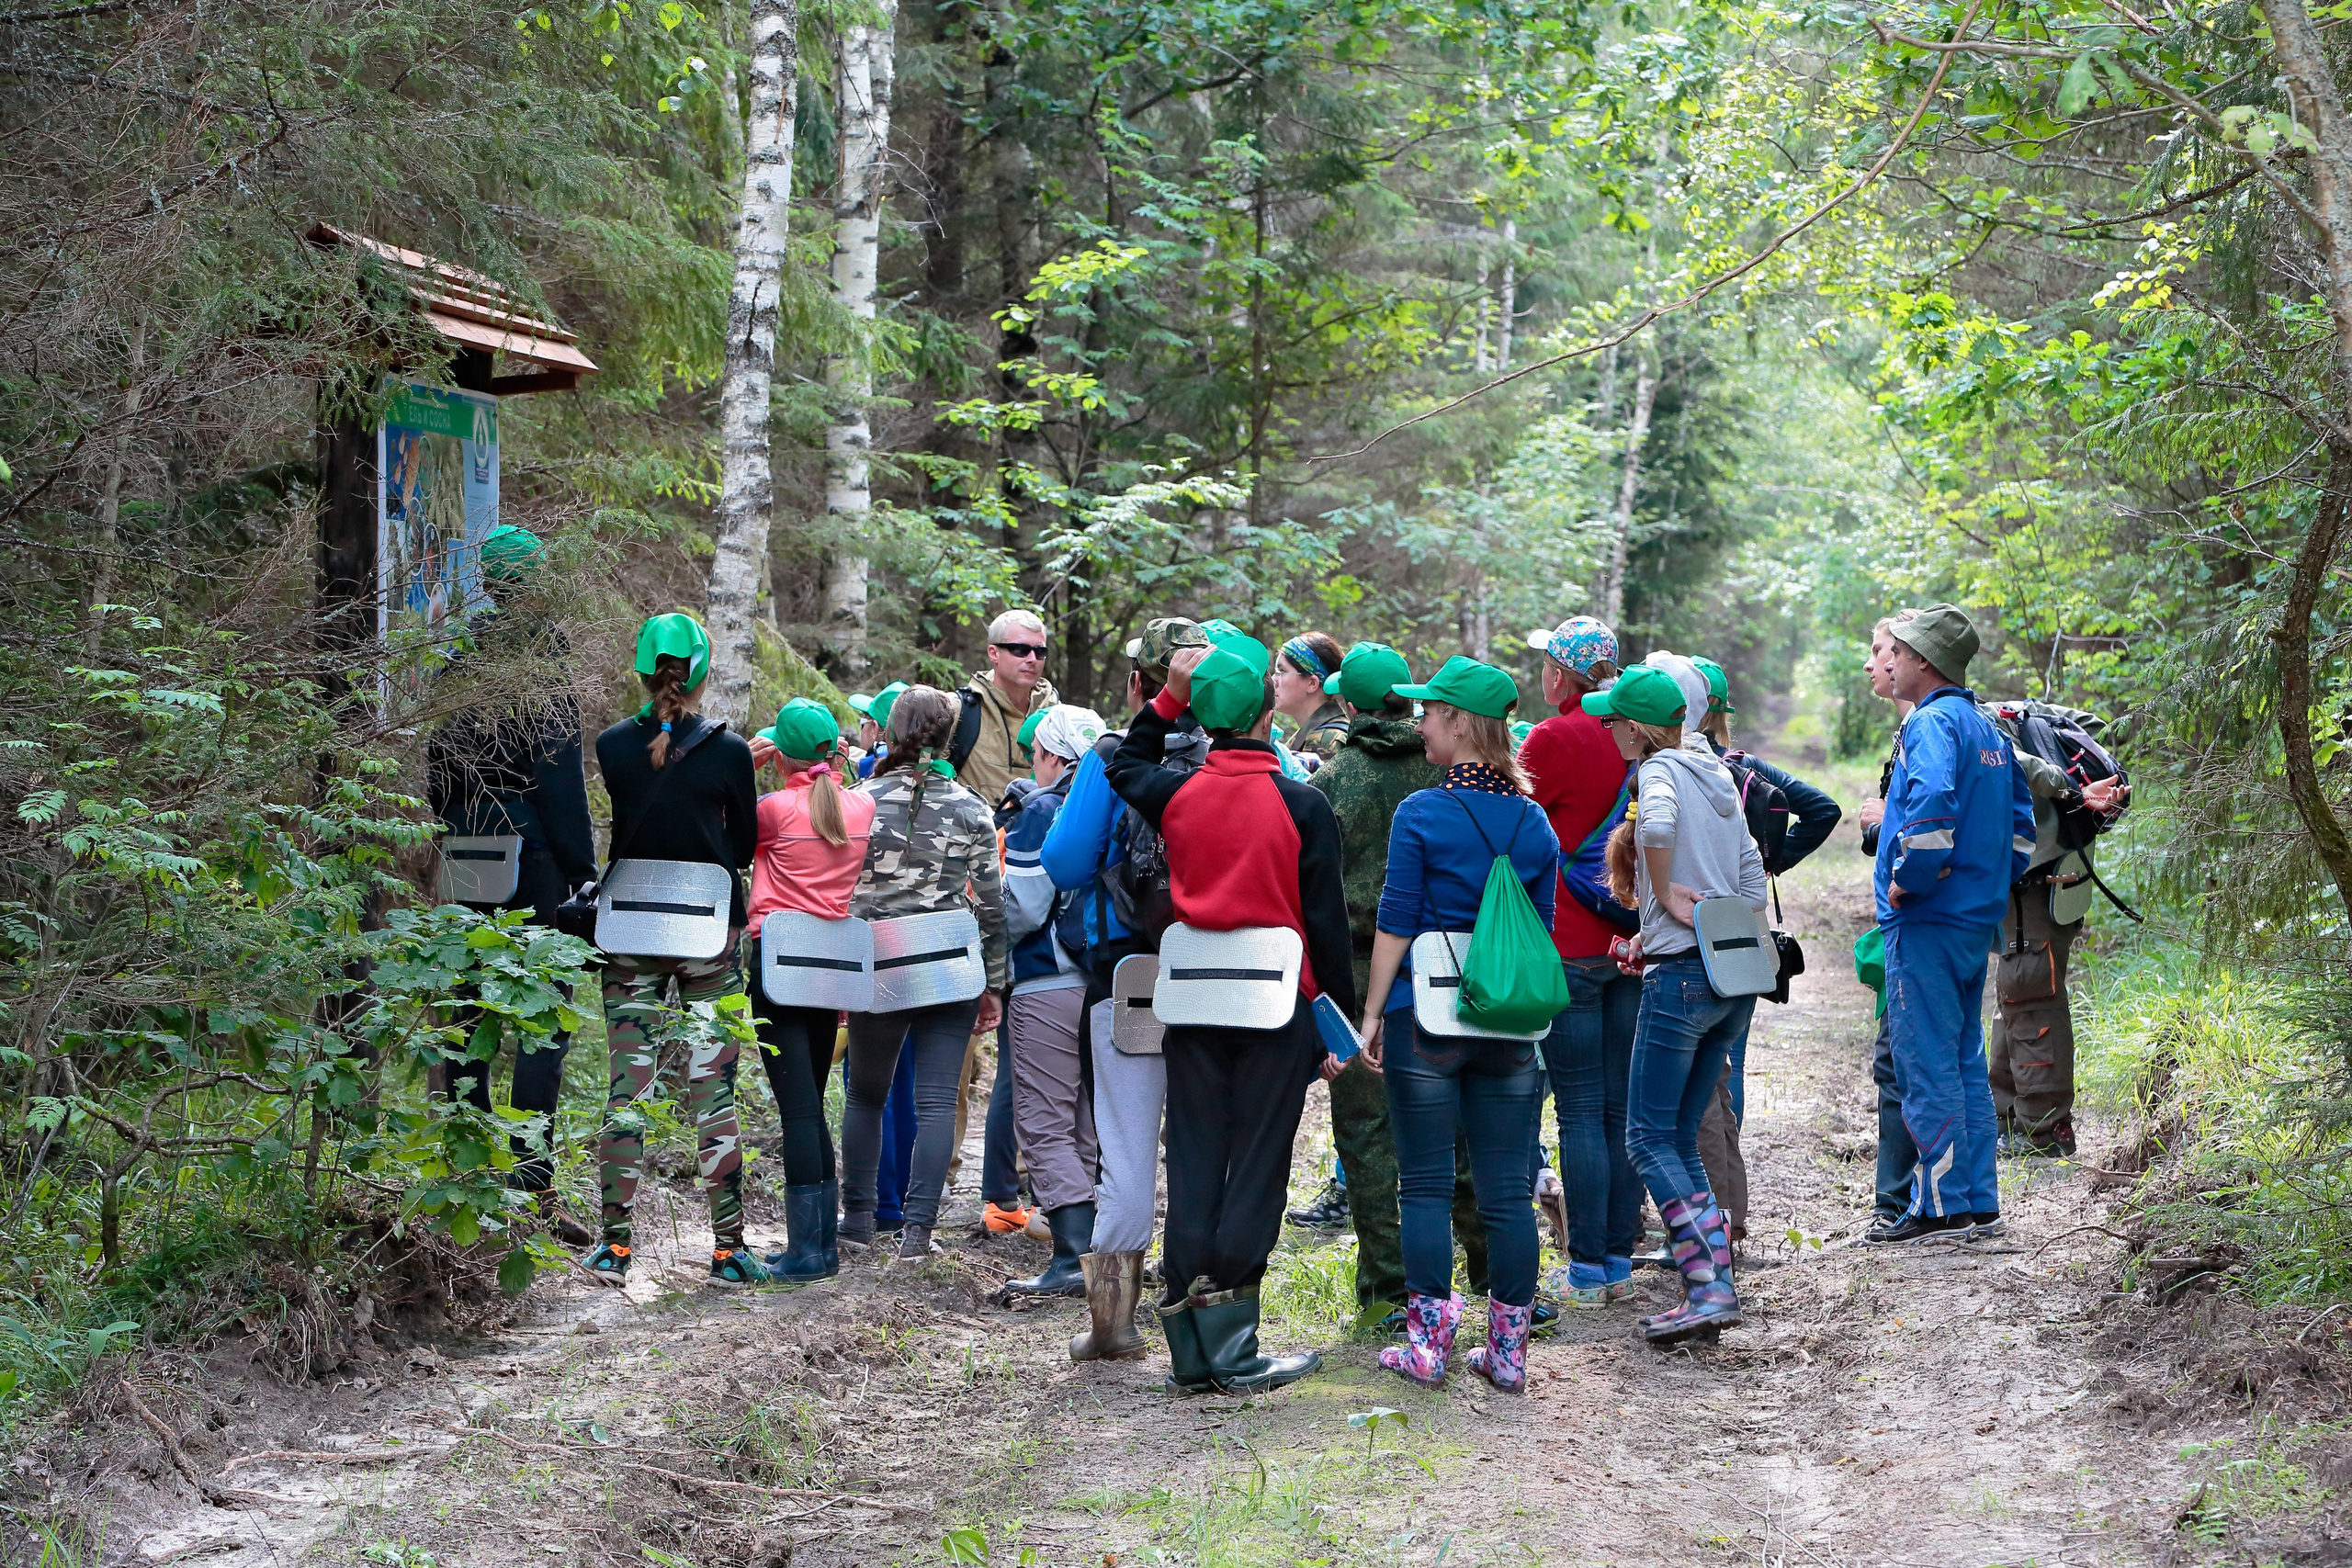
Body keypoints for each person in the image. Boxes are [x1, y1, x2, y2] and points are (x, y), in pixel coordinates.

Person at [1104, 627, 1356, 1393]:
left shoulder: (1176, 791)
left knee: (1195, 1156)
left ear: (1204, 718)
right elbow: (1327, 927)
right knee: (1256, 1164)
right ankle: (1235, 1345)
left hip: (1194, 997)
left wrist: (1172, 691)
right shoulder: (1301, 802)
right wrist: (1335, 1025)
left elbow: (1125, 761)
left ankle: (1188, 1345)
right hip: (1277, 1003)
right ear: (1265, 717)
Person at [1360, 657, 1559, 1393]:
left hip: (1429, 1019)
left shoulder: (1421, 812)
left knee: (1425, 1187)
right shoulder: (1534, 820)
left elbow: (1395, 923)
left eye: (1430, 713)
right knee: (1506, 1192)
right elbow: (1540, 928)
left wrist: (1374, 1013)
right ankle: (1507, 1353)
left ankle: (1428, 1347)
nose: (1420, 724)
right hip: (1510, 1023)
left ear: (1457, 723)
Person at [425, 525, 599, 1246]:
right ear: (535, 584)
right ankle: (533, 1188)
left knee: (467, 1012)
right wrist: (582, 869)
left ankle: (467, 1175)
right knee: (539, 1021)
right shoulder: (542, 668)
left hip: (464, 849)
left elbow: (437, 774)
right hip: (532, 855)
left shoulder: (455, 663)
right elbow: (562, 786)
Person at [1044, 617, 1210, 1365]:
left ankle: (1114, 1322)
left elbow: (1065, 862)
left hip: (1130, 974)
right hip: (1223, 974)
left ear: (1139, 683)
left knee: (1127, 1148)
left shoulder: (1111, 756)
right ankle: (1208, 1312)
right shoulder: (1242, 757)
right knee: (1212, 1148)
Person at [586, 613, 770, 1288]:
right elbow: (744, 848)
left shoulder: (610, 745)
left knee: (624, 1089)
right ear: (701, 671)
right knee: (711, 1091)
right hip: (707, 936)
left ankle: (614, 1246)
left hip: (630, 933)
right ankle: (727, 1251)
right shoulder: (729, 752)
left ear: (642, 670)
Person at [1589, 663, 1767, 1343]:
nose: (1607, 731)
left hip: (1681, 985)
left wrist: (1664, 899)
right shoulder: (1716, 774)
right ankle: (1710, 1287)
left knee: (1644, 1136)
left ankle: (1710, 1286)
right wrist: (1671, 930)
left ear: (1635, 728)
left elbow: (1656, 830)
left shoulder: (1658, 772)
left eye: (1611, 721)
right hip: (1729, 979)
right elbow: (1748, 871)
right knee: (1680, 1137)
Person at [1865, 603, 2036, 1246]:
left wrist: (1911, 877)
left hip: (1929, 921)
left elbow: (1933, 805)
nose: (1888, 661)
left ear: (1924, 662)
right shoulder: (1986, 727)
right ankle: (1974, 1202)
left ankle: (1938, 1207)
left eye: (1898, 652)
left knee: (1927, 1063)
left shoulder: (1932, 725)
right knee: (1963, 1062)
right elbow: (2022, 822)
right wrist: (1991, 883)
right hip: (1973, 920)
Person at [841, 686, 1010, 1258]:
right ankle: (917, 1233)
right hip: (947, 966)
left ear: (890, 730)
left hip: (877, 963)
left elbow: (838, 893)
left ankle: (858, 1221)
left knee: (865, 1096)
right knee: (937, 1101)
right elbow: (991, 906)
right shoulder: (972, 809)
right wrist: (994, 984)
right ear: (950, 736)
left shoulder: (857, 800)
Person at [1686, 653, 1843, 1246]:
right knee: (1732, 1056)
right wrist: (1769, 860)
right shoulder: (1745, 767)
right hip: (1745, 927)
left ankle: (1704, 1197)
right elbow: (1824, 810)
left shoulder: (1668, 771)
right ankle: (1727, 1193)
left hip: (1686, 921)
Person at [1518, 616, 1643, 1305]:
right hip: (1634, 944)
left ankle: (1587, 1268)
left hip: (1567, 944)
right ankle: (1620, 1258)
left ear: (1560, 676)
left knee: (1579, 1108)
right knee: (1623, 1108)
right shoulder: (1639, 735)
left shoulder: (1551, 737)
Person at [744, 697, 876, 1283]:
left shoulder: (772, 809)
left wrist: (741, 769)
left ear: (779, 756)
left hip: (778, 965)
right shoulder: (862, 807)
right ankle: (820, 1247)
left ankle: (805, 1253)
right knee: (812, 1105)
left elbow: (728, 841)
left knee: (796, 1108)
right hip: (833, 969)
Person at [1000, 703, 1110, 1295]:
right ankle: (1095, 1245)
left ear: (1054, 757)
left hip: (1048, 980)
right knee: (1086, 1115)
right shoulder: (1120, 798)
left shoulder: (1043, 810)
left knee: (1044, 1116)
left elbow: (1022, 908)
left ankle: (1071, 1256)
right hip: (1108, 981)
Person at [1987, 705, 2122, 1158]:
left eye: (1885, 653)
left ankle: (2045, 1130)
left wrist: (2071, 790)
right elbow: (2095, 720)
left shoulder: (1967, 720)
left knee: (2030, 992)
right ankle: (2007, 1117)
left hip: (2034, 882)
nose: (1875, 665)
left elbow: (2013, 764)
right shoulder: (1999, 712)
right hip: (2046, 877)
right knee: (2017, 991)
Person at [1271, 631, 1351, 762]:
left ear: (1312, 683)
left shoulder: (1325, 742)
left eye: (1282, 671)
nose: (1274, 680)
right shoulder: (1315, 735)